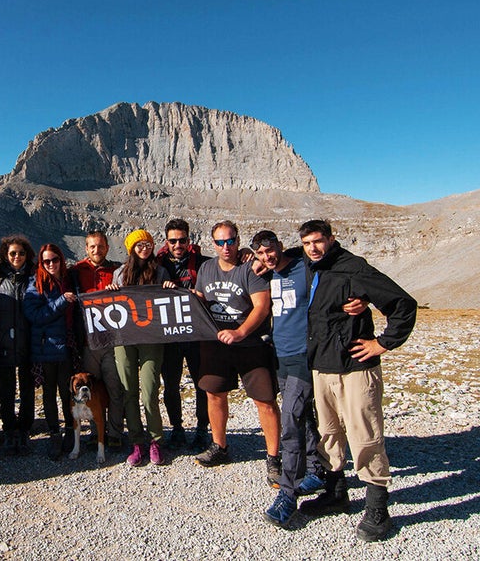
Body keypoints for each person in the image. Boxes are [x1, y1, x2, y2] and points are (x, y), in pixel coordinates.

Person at [296, 219, 417, 543]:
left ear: (331, 239)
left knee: (365, 436)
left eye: (318, 241)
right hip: (322, 366)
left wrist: (382, 342)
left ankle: (378, 507)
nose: (313, 248)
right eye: (307, 243)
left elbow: (403, 304)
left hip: (355, 368)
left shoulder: (354, 268)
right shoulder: (306, 265)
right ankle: (337, 494)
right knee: (329, 434)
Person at [250, 230, 365, 528]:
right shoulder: (265, 273)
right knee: (305, 417)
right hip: (282, 354)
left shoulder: (305, 264)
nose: (267, 256)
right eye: (261, 253)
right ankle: (315, 469)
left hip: (305, 354)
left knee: (290, 419)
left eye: (271, 249)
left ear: (279, 245)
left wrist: (362, 298)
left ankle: (287, 494)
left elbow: (339, 270)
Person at [193, 221, 281, 487]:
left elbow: (262, 307)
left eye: (230, 241)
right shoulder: (206, 268)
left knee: (264, 400)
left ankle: (274, 457)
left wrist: (240, 332)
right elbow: (199, 298)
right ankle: (220, 446)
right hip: (216, 344)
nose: (226, 246)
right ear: (213, 244)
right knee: (215, 394)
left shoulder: (250, 267)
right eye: (220, 242)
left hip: (251, 344)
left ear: (238, 239)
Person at [107, 229, 176, 466]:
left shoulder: (160, 272)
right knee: (128, 391)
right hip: (124, 340)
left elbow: (169, 299)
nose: (144, 248)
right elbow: (110, 305)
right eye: (139, 245)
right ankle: (137, 442)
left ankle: (156, 440)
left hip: (151, 339)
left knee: (149, 391)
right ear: (131, 249)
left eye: (147, 243)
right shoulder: (119, 273)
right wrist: (111, 292)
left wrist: (168, 287)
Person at [155, 218, 211, 451]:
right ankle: (177, 429)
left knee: (202, 384)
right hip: (170, 336)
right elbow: (132, 274)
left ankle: (202, 430)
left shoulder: (204, 264)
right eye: (173, 241)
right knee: (170, 385)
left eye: (182, 240)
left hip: (197, 334)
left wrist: (247, 252)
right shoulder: (156, 265)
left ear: (190, 240)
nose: (178, 245)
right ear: (166, 242)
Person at [69, 230, 125, 450]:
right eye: (92, 246)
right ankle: (95, 432)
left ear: (107, 248)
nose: (96, 250)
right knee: (90, 388)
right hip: (88, 343)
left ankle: (115, 432)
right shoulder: (75, 271)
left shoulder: (117, 270)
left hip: (111, 341)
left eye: (100, 246)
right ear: (86, 248)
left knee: (114, 388)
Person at [22, 243, 76, 460]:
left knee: (67, 392)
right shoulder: (35, 284)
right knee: (49, 394)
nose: (51, 264)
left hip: (68, 346)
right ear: (41, 263)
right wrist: (62, 301)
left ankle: (71, 431)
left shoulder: (69, 279)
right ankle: (55, 433)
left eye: (55, 259)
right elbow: (33, 315)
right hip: (47, 347)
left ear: (61, 260)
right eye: (47, 261)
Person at [0, 235, 36, 455]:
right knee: (6, 388)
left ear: (27, 254)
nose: (17, 256)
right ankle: (9, 429)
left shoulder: (35, 277)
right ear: (5, 255)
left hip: (28, 340)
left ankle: (25, 429)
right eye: (12, 253)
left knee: (27, 389)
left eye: (20, 253)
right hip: (3, 342)